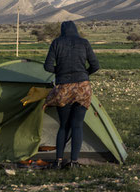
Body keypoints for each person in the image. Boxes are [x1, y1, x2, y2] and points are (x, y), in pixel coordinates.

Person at [43, 21, 99, 169]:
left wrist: (61, 72)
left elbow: (47, 66)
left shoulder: (57, 43)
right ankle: (74, 162)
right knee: (77, 126)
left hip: (63, 89)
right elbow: (96, 66)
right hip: (83, 88)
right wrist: (84, 74)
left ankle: (58, 161)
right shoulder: (84, 42)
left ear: (62, 30)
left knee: (64, 126)